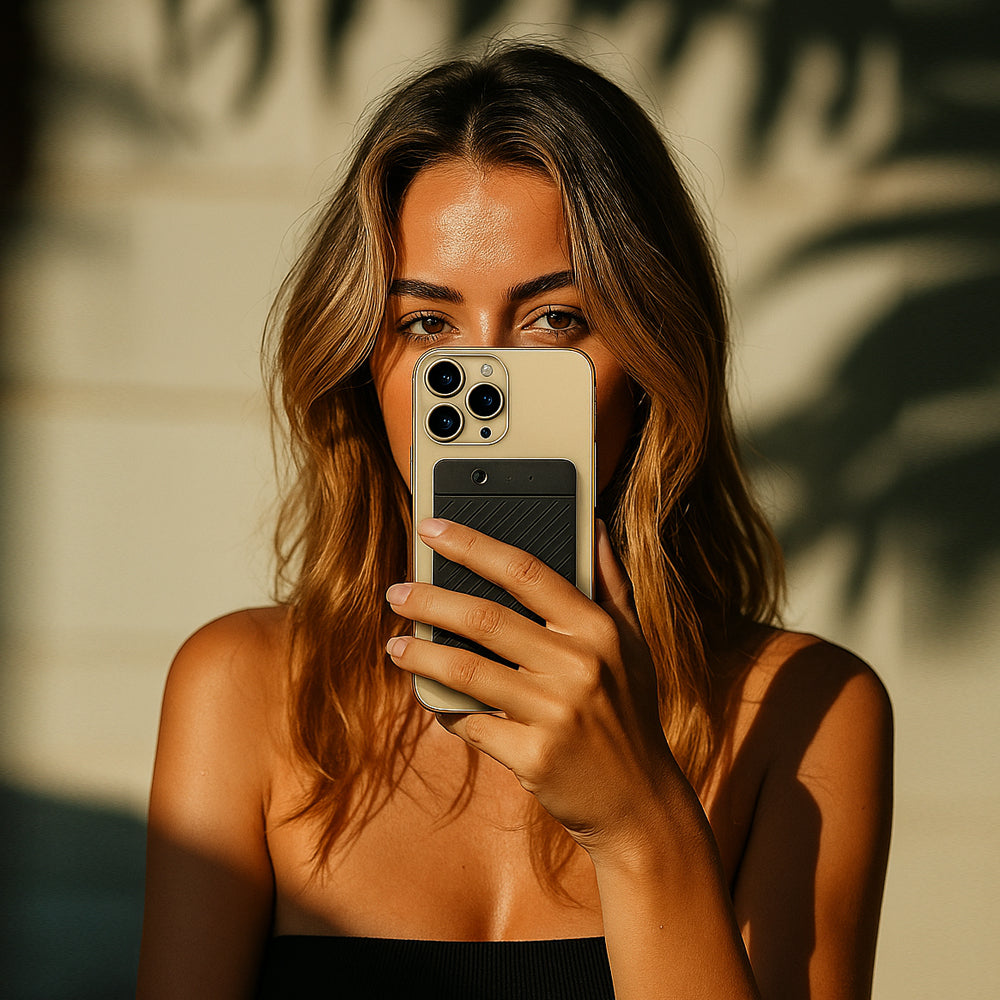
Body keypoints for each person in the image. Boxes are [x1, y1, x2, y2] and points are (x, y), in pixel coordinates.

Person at [137, 42, 893, 1000]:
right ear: (365, 365)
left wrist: (640, 823)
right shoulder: (246, 694)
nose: (487, 377)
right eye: (428, 326)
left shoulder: (801, 709)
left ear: (656, 352)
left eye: (556, 322)